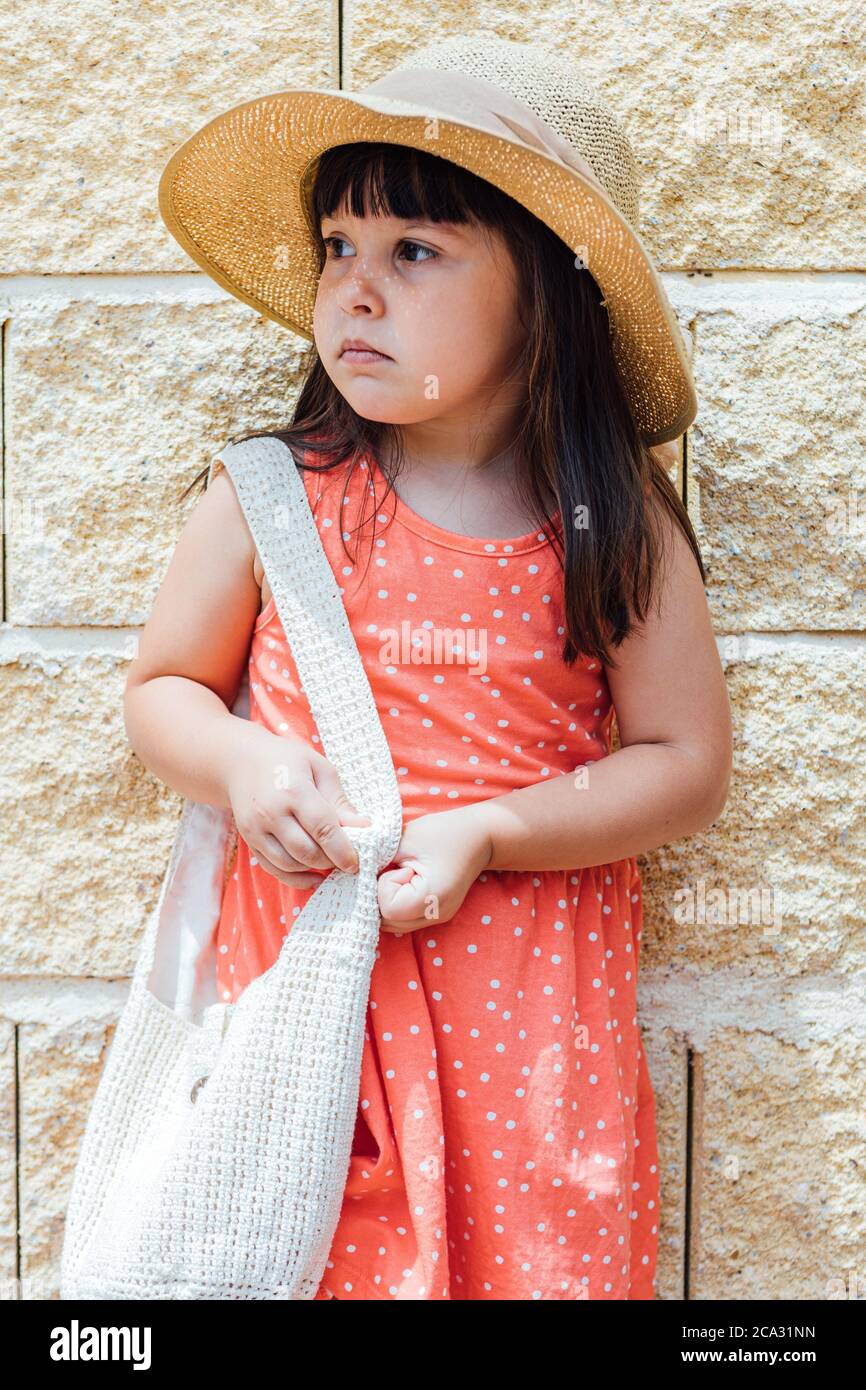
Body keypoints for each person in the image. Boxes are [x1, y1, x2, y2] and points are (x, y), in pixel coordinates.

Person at [129, 37, 732, 1299]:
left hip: (527, 1040)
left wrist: (493, 833)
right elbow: (163, 690)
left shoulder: (607, 518)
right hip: (312, 1025)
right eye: (337, 247)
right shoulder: (272, 499)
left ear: (547, 292)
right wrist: (240, 758)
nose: (354, 288)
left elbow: (683, 764)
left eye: (413, 252)